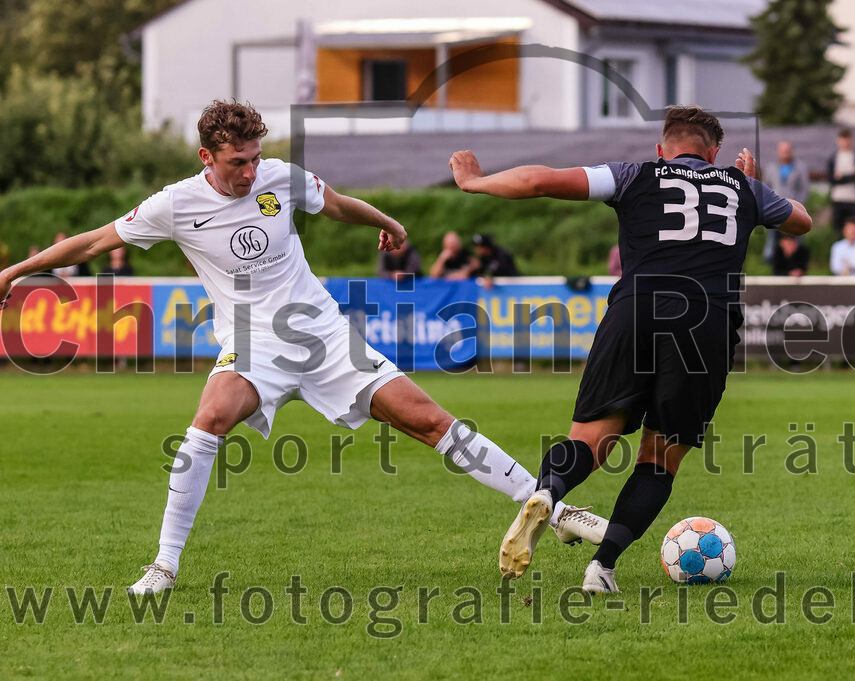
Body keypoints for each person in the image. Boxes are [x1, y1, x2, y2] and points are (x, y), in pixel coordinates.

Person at [0, 100, 606, 594]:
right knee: (207, 421)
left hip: (319, 331)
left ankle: (546, 502)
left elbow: (336, 203)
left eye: (255, 157)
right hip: (251, 343)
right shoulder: (175, 204)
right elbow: (90, 243)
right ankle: (163, 565)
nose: (249, 170)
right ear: (207, 157)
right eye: (238, 161)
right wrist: (15, 274)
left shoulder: (278, 178)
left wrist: (385, 223)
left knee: (428, 420)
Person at [449, 105, 811, 592]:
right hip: (706, 321)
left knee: (587, 443)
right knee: (659, 459)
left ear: (662, 148)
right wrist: (749, 183)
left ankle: (550, 492)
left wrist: (477, 182)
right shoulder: (742, 185)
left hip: (635, 309)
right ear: (716, 152)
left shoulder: (635, 173)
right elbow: (802, 222)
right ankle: (603, 568)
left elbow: (541, 181)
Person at [761, 141, 809, 263]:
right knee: (772, 240)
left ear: (791, 151)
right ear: (778, 152)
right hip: (774, 210)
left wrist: (799, 207)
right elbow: (767, 187)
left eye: (787, 150)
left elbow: (804, 189)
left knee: (796, 238)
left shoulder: (800, 168)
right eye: (783, 151)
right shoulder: (771, 168)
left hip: (793, 210)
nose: (785, 153)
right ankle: (770, 264)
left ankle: (797, 264)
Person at [826, 129, 855, 236]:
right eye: (843, 140)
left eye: (847, 140)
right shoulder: (833, 157)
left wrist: (841, 177)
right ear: (838, 141)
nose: (845, 142)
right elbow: (831, 179)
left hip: (853, 198)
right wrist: (850, 175)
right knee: (838, 230)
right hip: (838, 198)